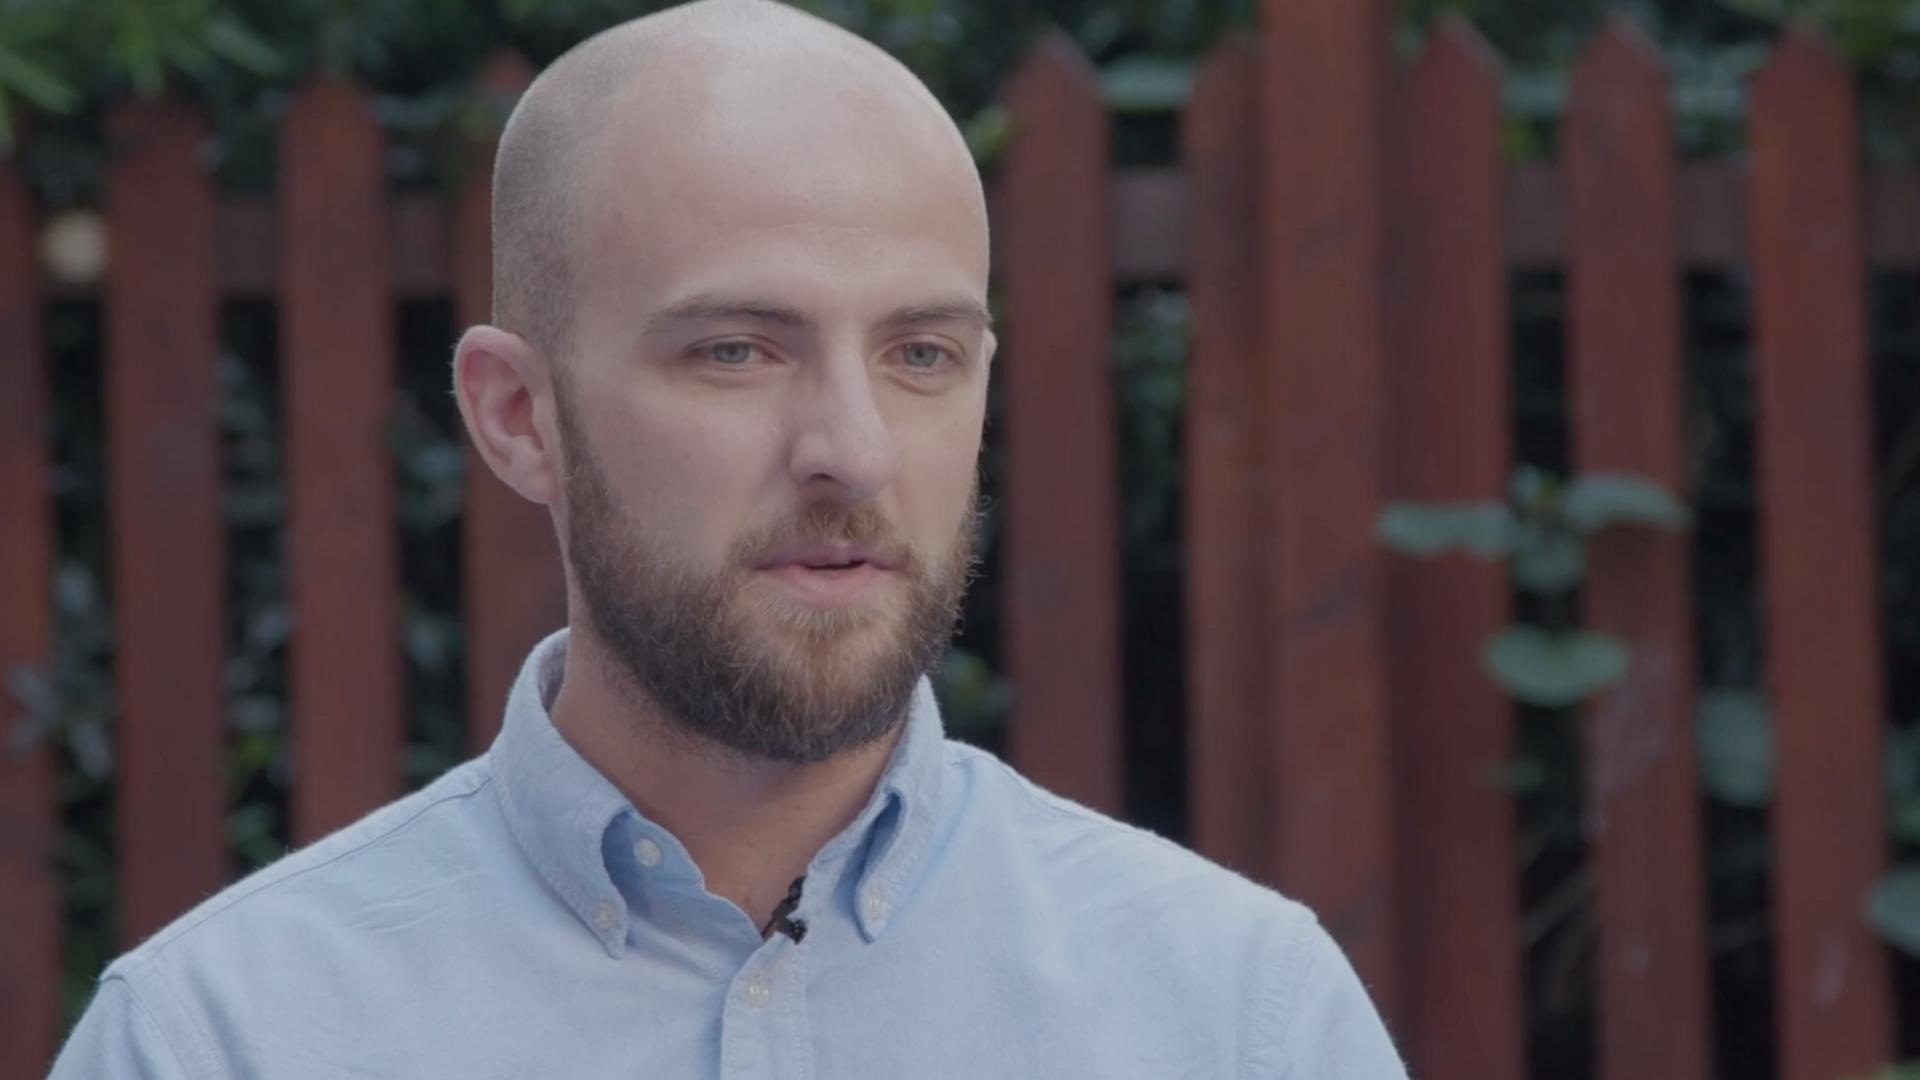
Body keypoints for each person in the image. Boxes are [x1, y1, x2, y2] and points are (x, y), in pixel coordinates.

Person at [51, 1, 1406, 1075]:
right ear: (519, 417)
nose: (854, 450)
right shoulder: (221, 1042)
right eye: (737, 351)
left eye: (921, 351)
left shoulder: (1239, 1019)